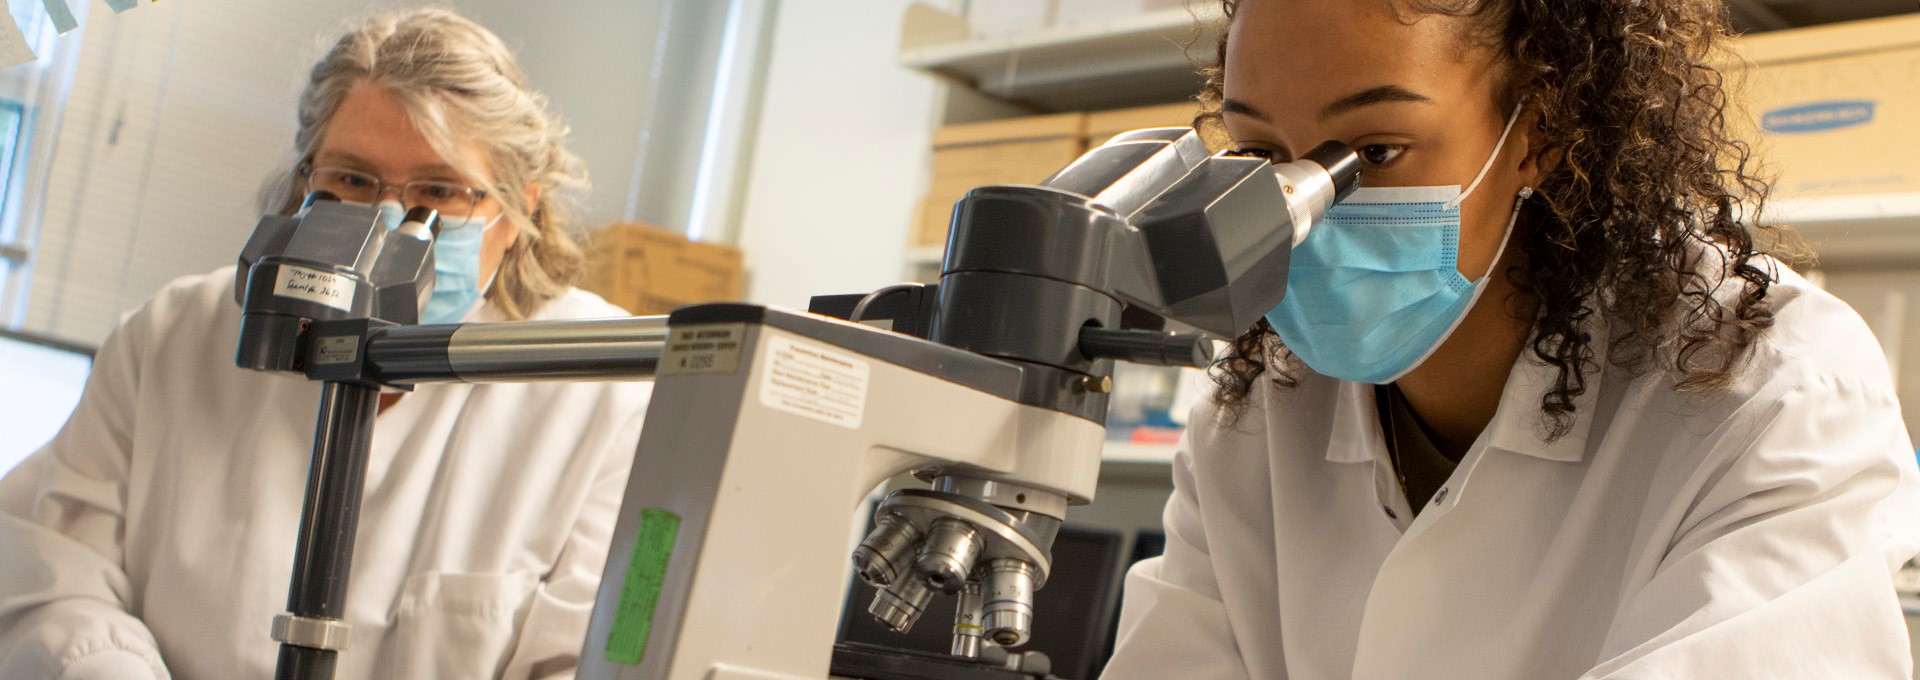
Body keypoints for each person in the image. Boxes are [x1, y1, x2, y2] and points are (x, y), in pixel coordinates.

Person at [1102, 0, 1920, 678]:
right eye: (1262, 156)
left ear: (1538, 131)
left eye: (1375, 152)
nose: (1300, 214)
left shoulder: (1774, 392)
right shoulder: (1252, 411)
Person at [0, 9, 653, 679]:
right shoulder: (174, 337)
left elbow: (591, 658)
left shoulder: (602, 388)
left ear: (519, 212)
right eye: (353, 181)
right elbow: (48, 575)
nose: (391, 220)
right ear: (305, 179)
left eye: (438, 191)